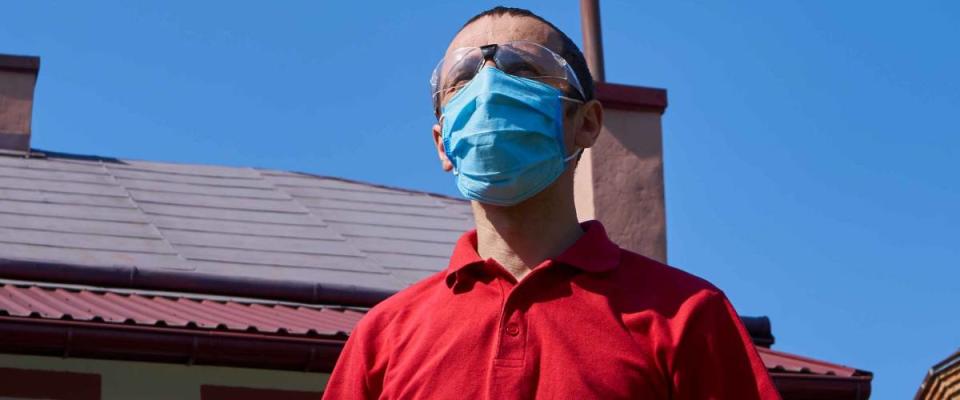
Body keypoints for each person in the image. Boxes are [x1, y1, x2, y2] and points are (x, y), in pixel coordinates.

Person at [324, 6, 780, 400]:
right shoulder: (383, 338)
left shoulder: (687, 315)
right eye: (463, 79)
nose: (489, 92)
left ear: (586, 123)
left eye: (522, 71)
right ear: (443, 144)